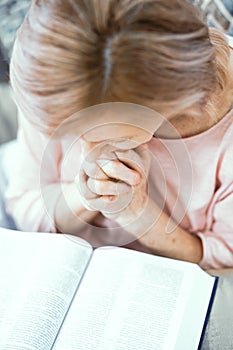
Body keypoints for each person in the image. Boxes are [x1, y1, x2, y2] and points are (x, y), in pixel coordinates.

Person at [5, 0, 233, 270]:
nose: (81, 148)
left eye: (90, 133)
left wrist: (137, 213)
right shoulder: (53, 79)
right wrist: (86, 194)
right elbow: (25, 206)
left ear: (166, 105)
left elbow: (224, 256)